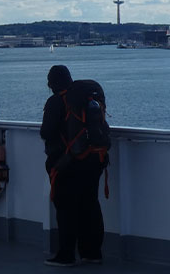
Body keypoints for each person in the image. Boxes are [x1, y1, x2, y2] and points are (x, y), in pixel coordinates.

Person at [40, 65, 106, 267]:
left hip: (68, 162)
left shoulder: (55, 102)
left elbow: (47, 132)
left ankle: (66, 255)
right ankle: (92, 253)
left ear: (51, 83)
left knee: (66, 208)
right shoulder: (87, 98)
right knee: (90, 205)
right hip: (94, 159)